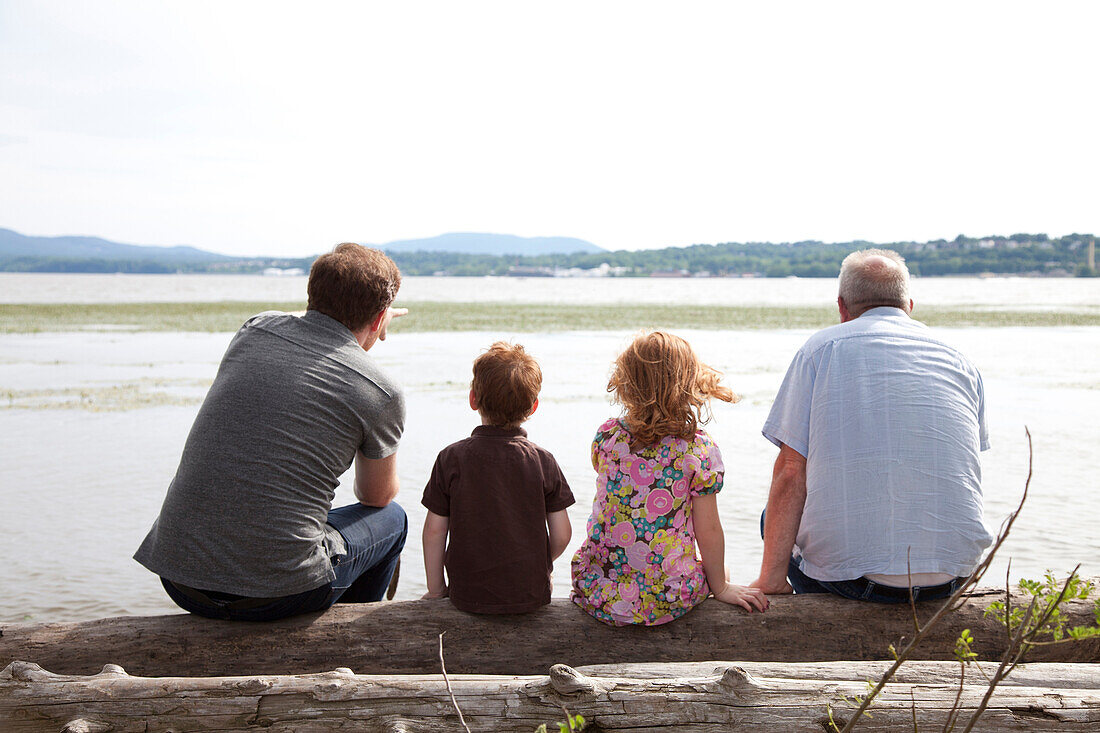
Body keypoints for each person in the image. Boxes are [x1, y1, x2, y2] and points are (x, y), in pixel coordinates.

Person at [134, 243, 410, 621]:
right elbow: (375, 496)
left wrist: (366, 316)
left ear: (311, 294)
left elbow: (304, 321)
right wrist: (374, 328)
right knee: (394, 520)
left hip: (181, 579)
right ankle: (349, 634)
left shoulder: (253, 330)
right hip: (280, 594)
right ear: (380, 319)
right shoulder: (381, 390)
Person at [752, 248, 994, 603]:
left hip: (857, 583)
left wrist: (770, 580)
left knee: (768, 518)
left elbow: (790, 472)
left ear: (841, 307)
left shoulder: (820, 350)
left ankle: (801, 604)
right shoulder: (958, 358)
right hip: (953, 577)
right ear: (909, 305)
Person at [571, 331, 768, 625]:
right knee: (722, 573)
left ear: (627, 382)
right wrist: (721, 587)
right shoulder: (697, 450)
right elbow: (709, 529)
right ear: (687, 384)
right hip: (667, 596)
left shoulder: (608, 437)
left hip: (599, 589)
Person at [420, 342, 574, 613]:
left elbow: (434, 531)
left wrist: (436, 591)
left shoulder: (450, 458)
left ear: (473, 399)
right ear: (533, 406)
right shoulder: (543, 461)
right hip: (529, 593)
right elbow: (562, 534)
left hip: (466, 595)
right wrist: (535, 561)